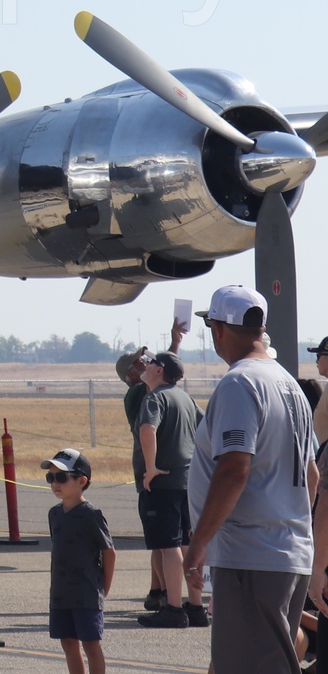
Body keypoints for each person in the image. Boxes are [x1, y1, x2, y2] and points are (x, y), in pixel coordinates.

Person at [185, 285, 318, 674]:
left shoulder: (240, 383)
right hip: (288, 552)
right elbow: (311, 476)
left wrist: (198, 543)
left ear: (218, 330)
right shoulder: (289, 384)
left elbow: (234, 469)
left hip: (250, 556)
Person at [133, 352, 205, 627]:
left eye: (150, 362)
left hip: (162, 483)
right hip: (187, 482)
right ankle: (196, 606)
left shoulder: (155, 398)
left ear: (160, 370)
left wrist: (150, 468)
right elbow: (206, 427)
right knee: (187, 543)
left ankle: (174, 608)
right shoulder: (185, 398)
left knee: (168, 546)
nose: (145, 366)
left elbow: (148, 429)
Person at [41, 447, 114, 674]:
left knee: (91, 644)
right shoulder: (54, 514)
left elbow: (109, 552)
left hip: (86, 592)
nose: (55, 483)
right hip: (61, 593)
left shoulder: (91, 515)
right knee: (68, 643)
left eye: (61, 477)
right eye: (50, 477)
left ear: (81, 481)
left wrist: (104, 587)